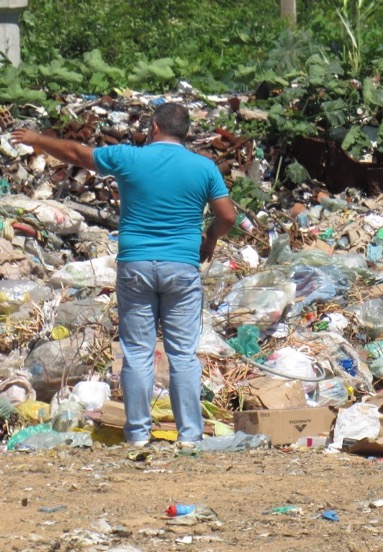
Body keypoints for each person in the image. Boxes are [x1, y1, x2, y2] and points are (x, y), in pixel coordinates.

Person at [11, 103, 237, 447]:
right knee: (182, 354)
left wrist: (37, 139)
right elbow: (228, 217)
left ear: (156, 128)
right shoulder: (204, 167)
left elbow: (76, 153)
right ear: (185, 132)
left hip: (136, 266)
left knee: (137, 351)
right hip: (182, 267)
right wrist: (209, 239)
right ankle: (190, 436)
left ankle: (138, 435)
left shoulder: (129, 158)